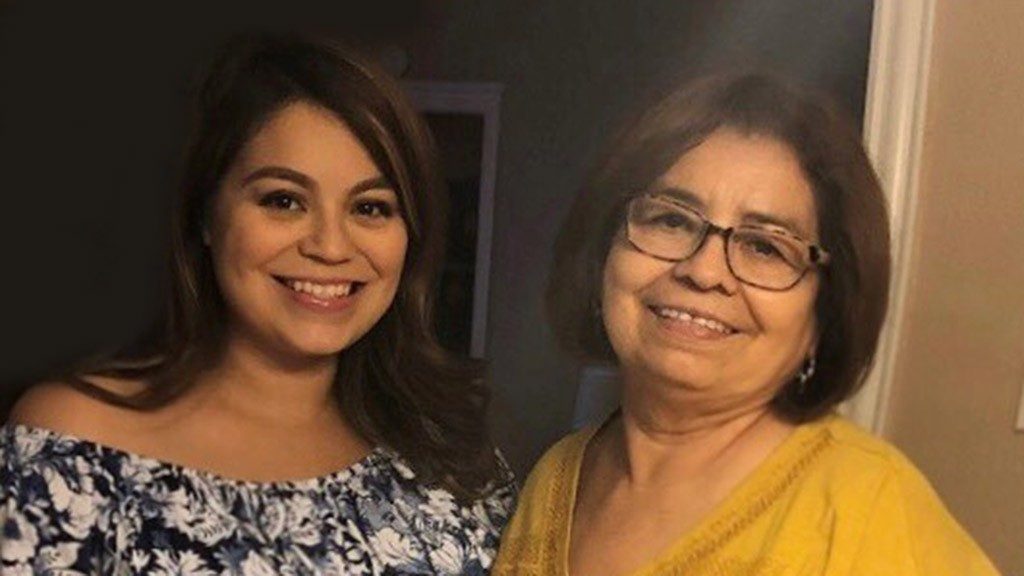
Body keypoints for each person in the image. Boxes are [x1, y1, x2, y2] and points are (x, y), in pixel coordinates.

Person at [1, 32, 514, 575]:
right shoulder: (74, 442)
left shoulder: (453, 455)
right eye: (284, 200)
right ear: (205, 215)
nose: (331, 247)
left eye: (370, 207)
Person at [493, 73, 1000, 575]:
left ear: (825, 311)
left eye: (765, 247)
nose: (703, 271)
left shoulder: (869, 508)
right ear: (605, 251)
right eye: (671, 220)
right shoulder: (556, 476)